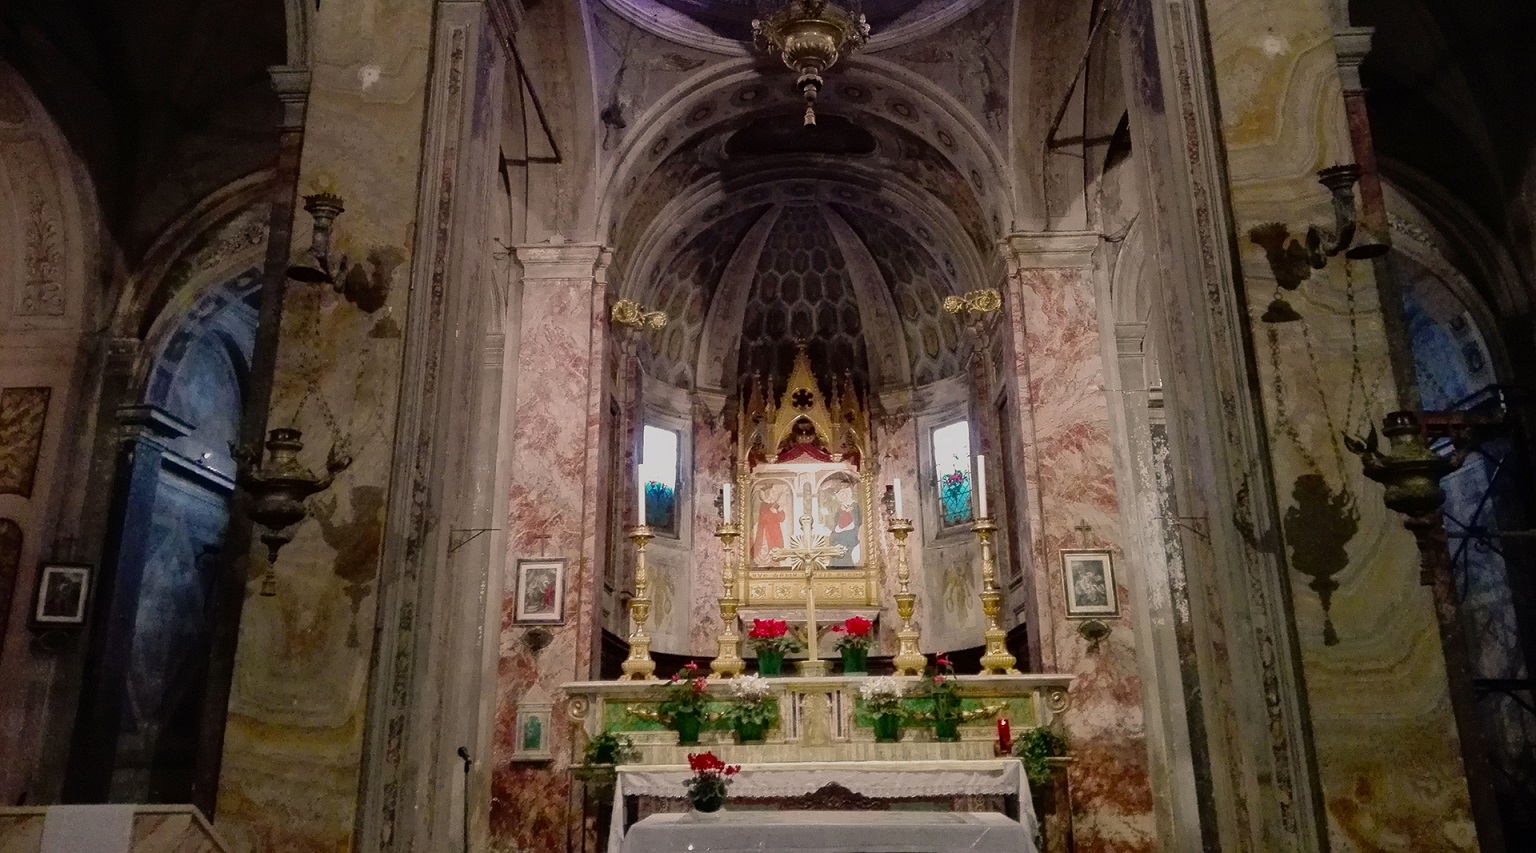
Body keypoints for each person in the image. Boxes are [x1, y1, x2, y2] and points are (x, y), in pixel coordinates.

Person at [753, 484, 787, 562]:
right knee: (765, 546)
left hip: (775, 530)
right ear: (768, 493)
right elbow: (765, 518)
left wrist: (779, 511)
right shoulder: (763, 505)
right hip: (766, 530)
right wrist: (774, 513)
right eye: (772, 492)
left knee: (776, 546)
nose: (773, 494)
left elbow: (782, 518)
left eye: (773, 492)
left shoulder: (776, 504)